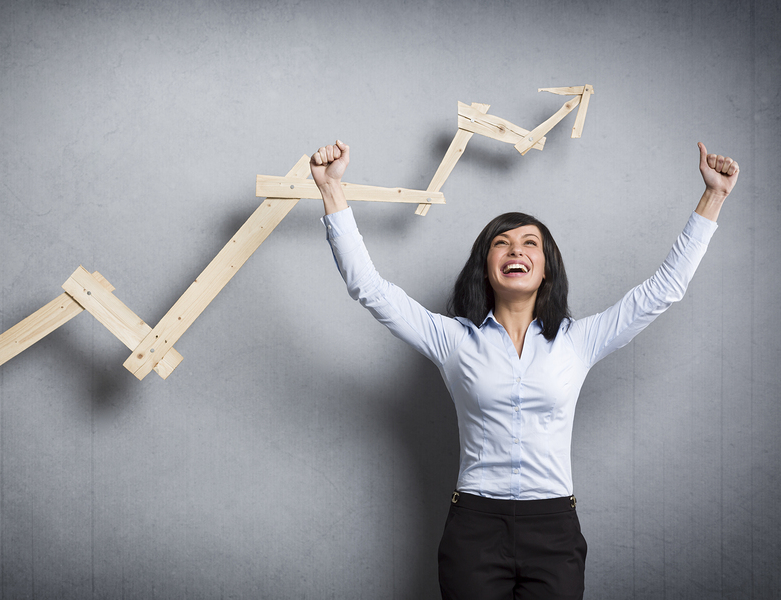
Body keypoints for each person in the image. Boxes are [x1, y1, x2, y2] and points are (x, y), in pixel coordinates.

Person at [310, 139, 739, 600]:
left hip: (554, 530)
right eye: (502, 243)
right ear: (487, 266)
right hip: (475, 527)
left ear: (545, 269)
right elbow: (368, 288)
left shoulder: (579, 341)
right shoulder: (452, 340)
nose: (516, 249)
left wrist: (713, 196)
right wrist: (332, 189)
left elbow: (663, 291)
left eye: (529, 243)